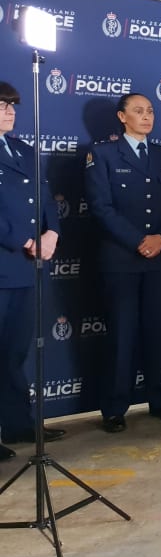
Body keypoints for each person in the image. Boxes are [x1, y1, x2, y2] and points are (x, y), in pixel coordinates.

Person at [84, 93, 161, 432]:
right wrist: (137, 240)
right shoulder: (102, 155)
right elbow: (101, 206)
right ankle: (114, 407)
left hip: (160, 259)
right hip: (121, 259)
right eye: (138, 111)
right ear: (122, 117)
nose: (146, 116)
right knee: (122, 335)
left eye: (150, 111)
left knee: (160, 332)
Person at [0, 82, 64, 459]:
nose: (9, 111)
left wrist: (52, 231)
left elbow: (46, 198)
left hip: (26, 270)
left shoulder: (24, 149)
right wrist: (26, 240)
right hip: (9, 259)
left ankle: (19, 424)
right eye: (1, 105)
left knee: (13, 353)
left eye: (12, 105)